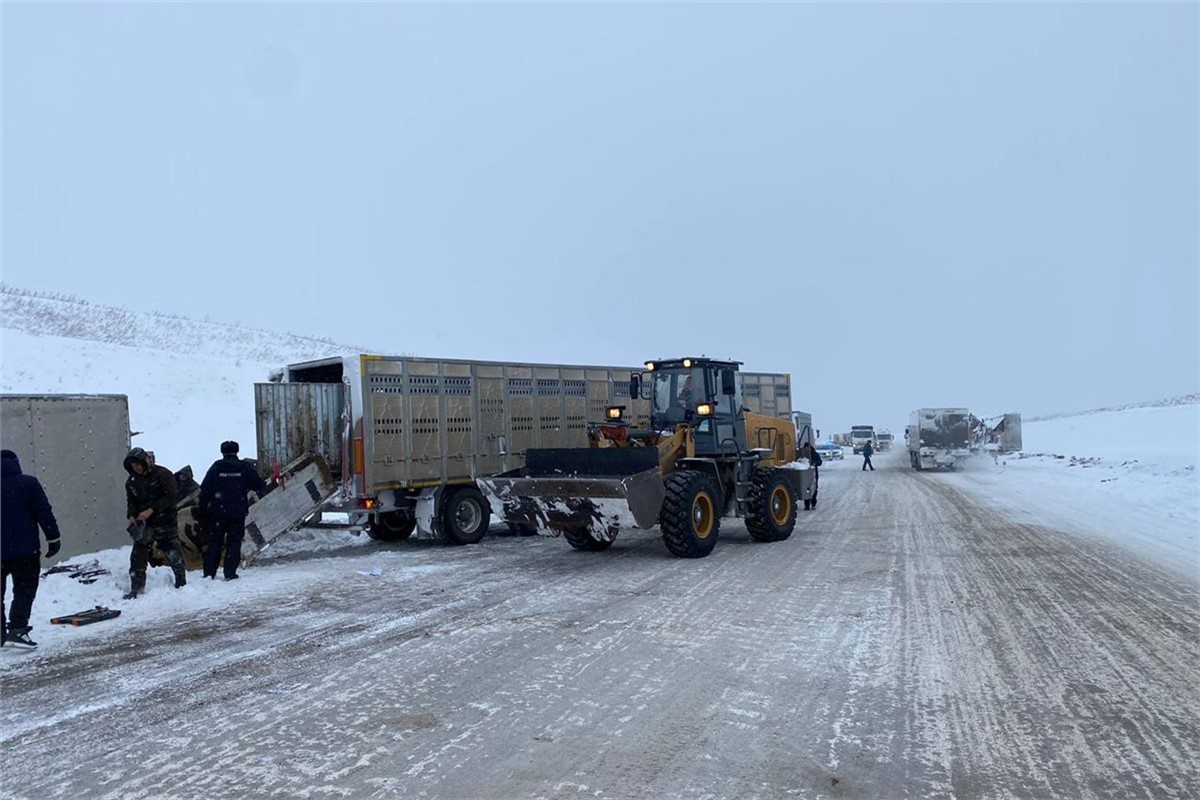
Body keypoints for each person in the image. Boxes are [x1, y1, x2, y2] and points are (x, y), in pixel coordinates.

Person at [0, 449, 62, 648]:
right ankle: (17, 629)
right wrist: (53, 538)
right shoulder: (28, 483)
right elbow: (43, 511)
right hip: (25, 551)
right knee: (25, 590)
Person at [198, 441, 267, 581]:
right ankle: (230, 573)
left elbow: (205, 489)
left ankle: (209, 573)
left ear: (222, 452)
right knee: (234, 543)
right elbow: (258, 485)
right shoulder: (244, 467)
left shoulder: (216, 467)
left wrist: (203, 508)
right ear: (237, 451)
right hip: (237, 513)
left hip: (218, 513)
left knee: (215, 543)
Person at [124, 446, 186, 598]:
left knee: (172, 551)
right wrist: (131, 515)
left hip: (165, 520)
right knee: (138, 556)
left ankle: (181, 582)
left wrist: (152, 509)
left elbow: (171, 497)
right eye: (133, 466)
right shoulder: (132, 481)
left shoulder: (163, 474)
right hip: (144, 524)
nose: (136, 468)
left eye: (138, 464)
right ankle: (136, 589)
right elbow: (131, 501)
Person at [799, 442, 822, 510]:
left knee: (814, 489)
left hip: (814, 474)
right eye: (806, 448)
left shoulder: (815, 454)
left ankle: (813, 504)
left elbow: (820, 462)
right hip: (805, 474)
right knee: (807, 489)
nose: (807, 449)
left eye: (808, 447)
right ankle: (807, 505)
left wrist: (814, 463)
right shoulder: (803, 454)